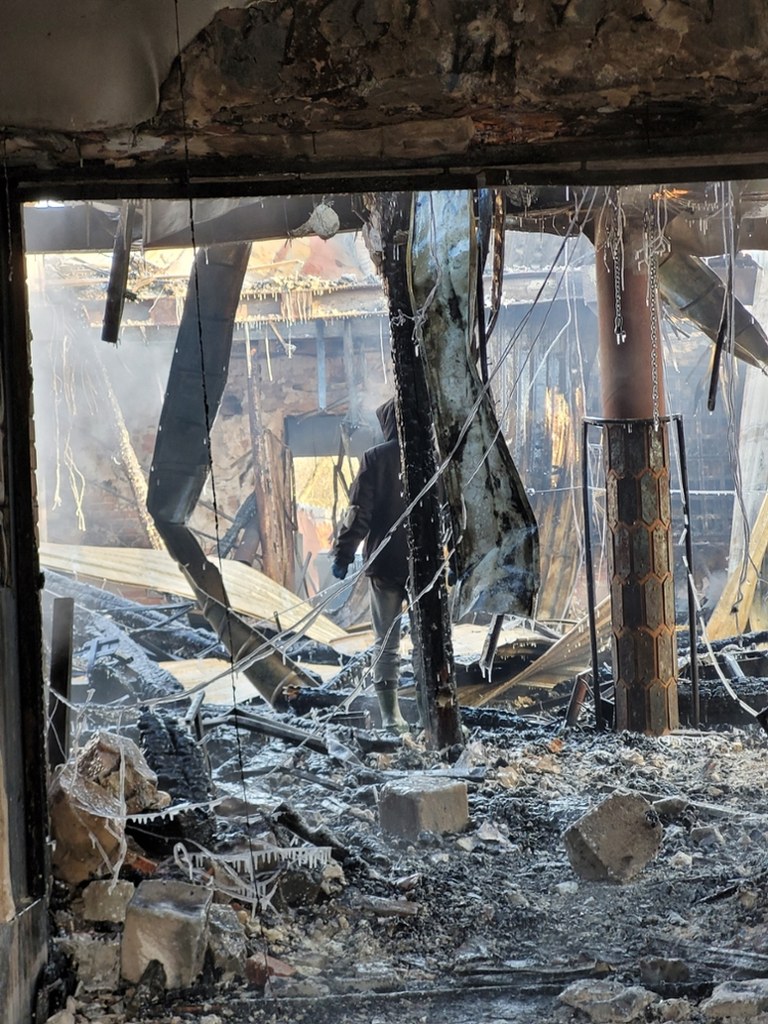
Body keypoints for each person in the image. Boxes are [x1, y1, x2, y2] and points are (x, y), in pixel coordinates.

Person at [331, 399, 409, 733]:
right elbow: (451, 509)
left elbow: (358, 514)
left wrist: (343, 554)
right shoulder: (434, 456)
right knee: (430, 643)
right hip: (427, 567)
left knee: (386, 643)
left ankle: (391, 717)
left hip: (386, 563)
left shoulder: (376, 458)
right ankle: (432, 711)